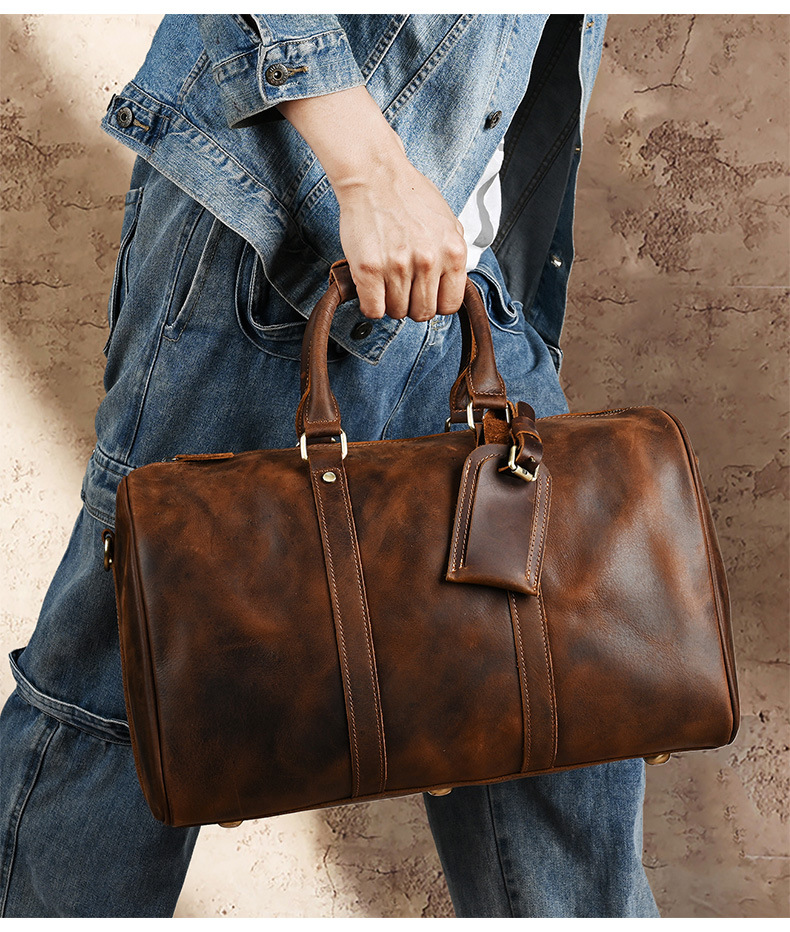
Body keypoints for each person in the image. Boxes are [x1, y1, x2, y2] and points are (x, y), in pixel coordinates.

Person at [0, 14, 660, 917]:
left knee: (562, 715)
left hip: (469, 268)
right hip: (286, 237)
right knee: (131, 708)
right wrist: (371, 172)